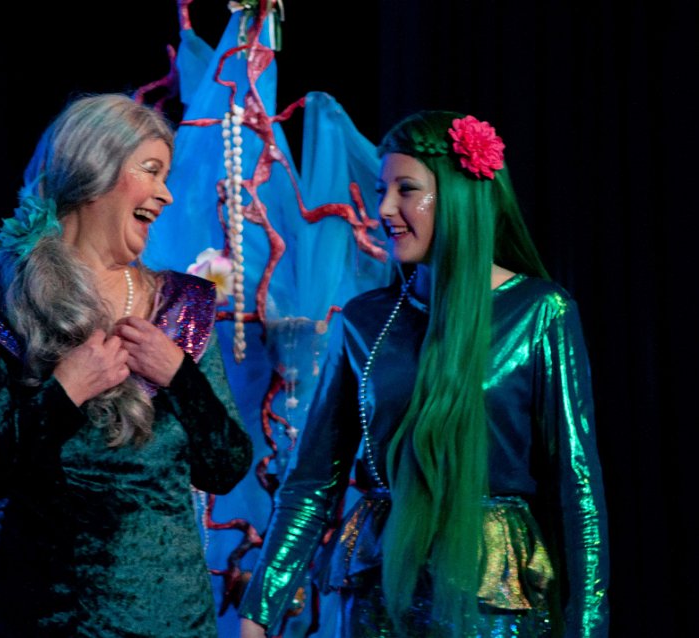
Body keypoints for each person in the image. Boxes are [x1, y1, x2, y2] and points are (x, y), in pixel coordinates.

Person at [237, 110, 609, 637]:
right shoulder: (365, 320)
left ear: (456, 195)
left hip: (495, 604)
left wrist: (588, 625)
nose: (384, 209)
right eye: (381, 191)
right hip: (379, 599)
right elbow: (313, 480)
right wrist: (258, 612)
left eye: (406, 189)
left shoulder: (538, 313)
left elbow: (576, 486)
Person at [0, 93, 253, 637]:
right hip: (41, 621)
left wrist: (181, 378)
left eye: (166, 175)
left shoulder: (182, 308)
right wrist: (62, 394)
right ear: (93, 172)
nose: (167, 194)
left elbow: (224, 468)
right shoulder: (1, 310)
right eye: (150, 170)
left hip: (172, 623)